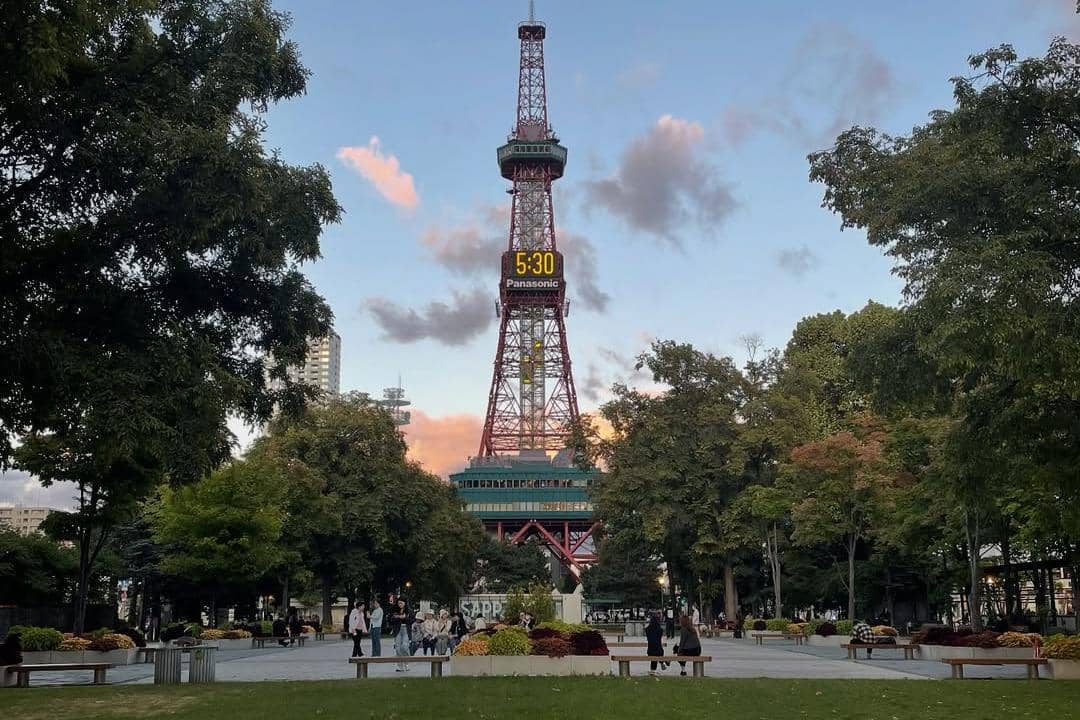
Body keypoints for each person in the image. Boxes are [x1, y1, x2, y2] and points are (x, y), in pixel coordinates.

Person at [389, 599, 411, 671]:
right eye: (399, 603)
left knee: (404, 646)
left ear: (405, 603)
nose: (400, 604)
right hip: (397, 629)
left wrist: (405, 617)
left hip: (406, 629)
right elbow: (390, 619)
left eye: (401, 603)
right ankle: (400, 665)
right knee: (398, 648)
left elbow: (412, 620)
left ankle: (407, 663)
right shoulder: (394, 610)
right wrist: (397, 617)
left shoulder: (409, 610)